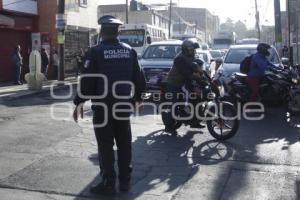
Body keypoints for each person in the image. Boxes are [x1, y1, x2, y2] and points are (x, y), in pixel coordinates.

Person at [73, 15, 146, 195]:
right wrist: (138, 98)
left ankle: (108, 183)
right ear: (118, 32)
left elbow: (88, 81)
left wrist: (79, 102)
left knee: (105, 146)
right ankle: (125, 183)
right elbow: (138, 77)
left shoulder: (95, 52)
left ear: (101, 32)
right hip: (122, 105)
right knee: (124, 144)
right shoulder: (129, 51)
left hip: (103, 106)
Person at [164, 38, 205, 135]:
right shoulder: (179, 59)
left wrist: (203, 77)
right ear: (185, 49)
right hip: (174, 83)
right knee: (175, 103)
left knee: (196, 98)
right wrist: (197, 78)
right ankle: (168, 126)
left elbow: (197, 69)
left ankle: (195, 122)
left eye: (193, 49)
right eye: (191, 49)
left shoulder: (192, 57)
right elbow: (186, 73)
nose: (193, 51)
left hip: (185, 82)